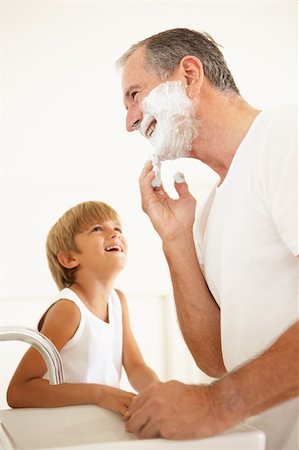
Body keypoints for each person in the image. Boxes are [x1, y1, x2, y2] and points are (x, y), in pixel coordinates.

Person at [117, 28, 298, 449]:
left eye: (135, 95)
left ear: (190, 76)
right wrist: (176, 239)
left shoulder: (284, 135)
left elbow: (218, 388)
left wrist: (217, 405)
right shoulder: (212, 207)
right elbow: (215, 359)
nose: (129, 122)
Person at [7, 200, 159, 415]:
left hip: (94, 424)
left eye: (117, 228)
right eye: (98, 229)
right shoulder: (69, 310)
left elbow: (135, 367)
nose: (114, 234)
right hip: (68, 427)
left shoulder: (118, 302)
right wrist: (99, 394)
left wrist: (159, 391)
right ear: (69, 258)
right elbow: (19, 391)